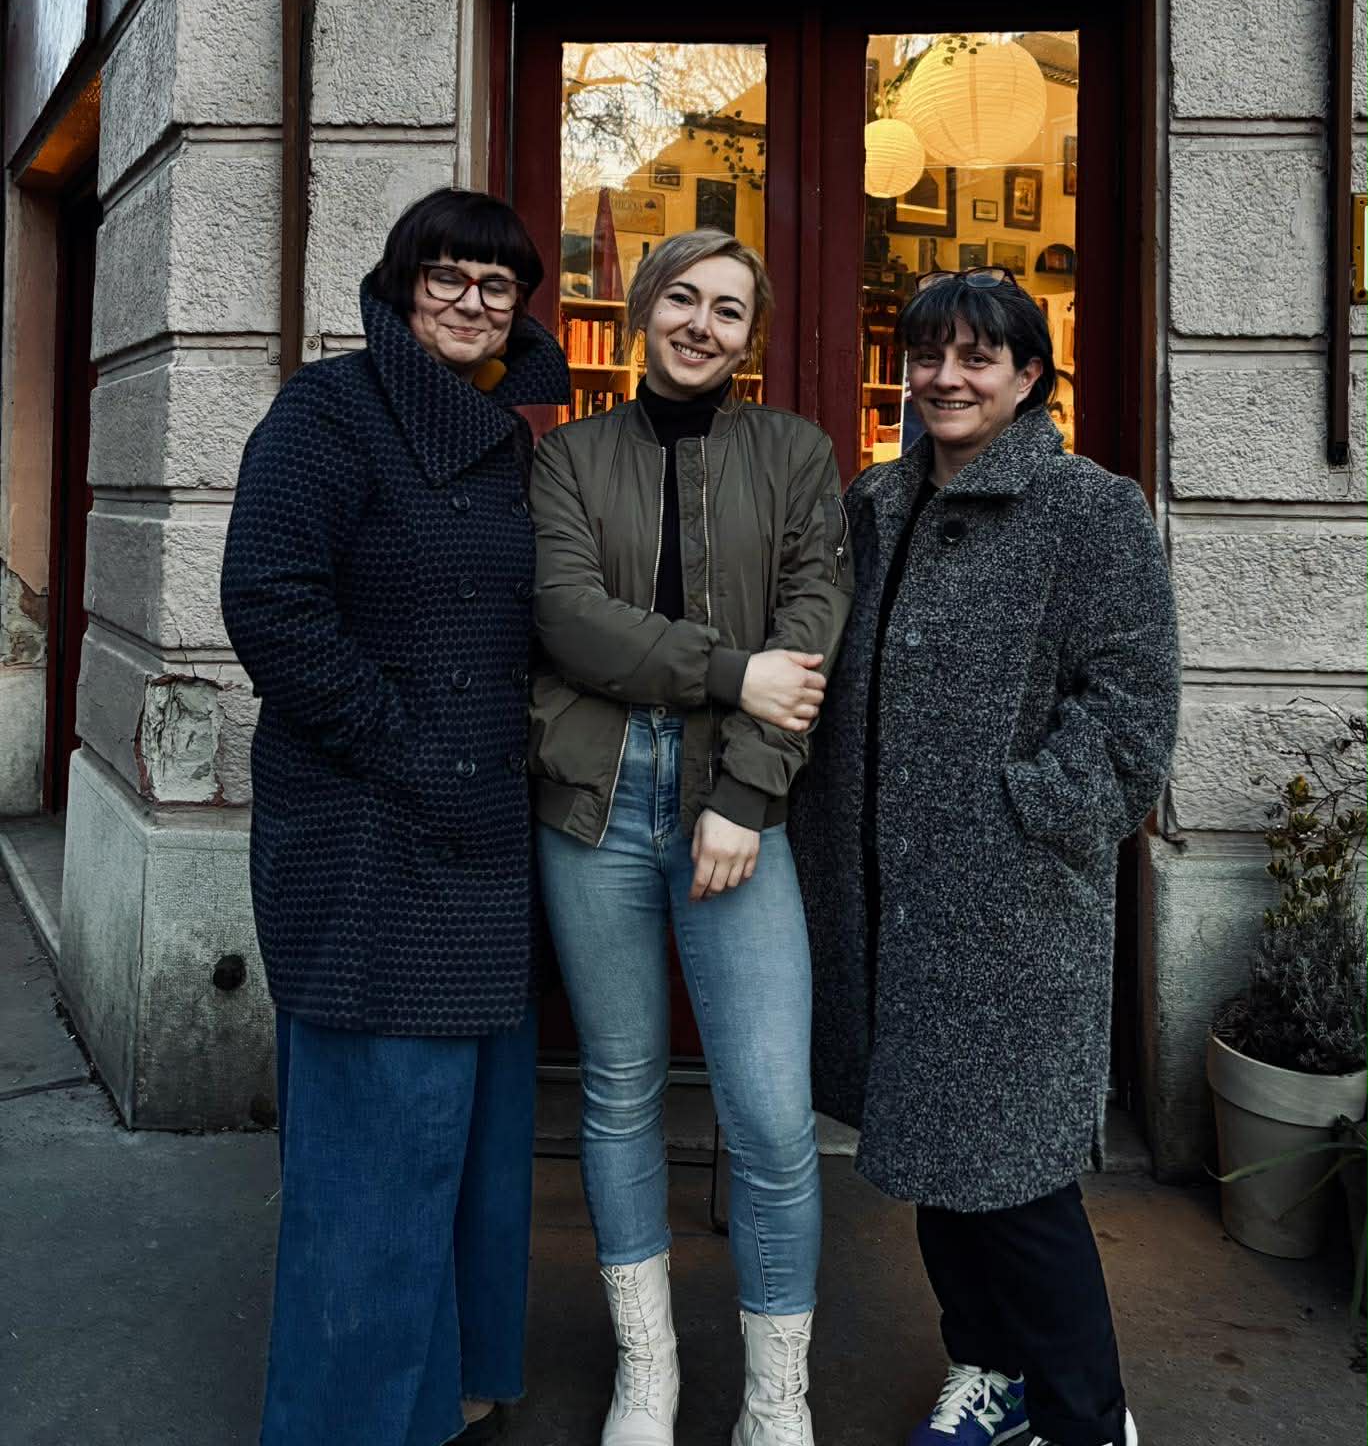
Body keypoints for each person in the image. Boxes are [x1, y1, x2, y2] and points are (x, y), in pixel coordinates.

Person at [790, 268, 1179, 1446]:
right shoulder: (876, 499)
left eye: (976, 356)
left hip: (1011, 900)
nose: (945, 377)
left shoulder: (1088, 509)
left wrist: (1027, 813)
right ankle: (990, 1367)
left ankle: (1087, 1416)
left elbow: (1131, 711)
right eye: (927, 355)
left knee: (1017, 1181)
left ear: (1028, 375)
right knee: (932, 1157)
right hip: (882, 896)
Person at [220, 187, 569, 1446]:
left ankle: (450, 1391)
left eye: (497, 283)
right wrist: (408, 751)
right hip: (365, 832)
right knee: (374, 1159)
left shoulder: (515, 441)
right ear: (399, 284)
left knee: (469, 1148)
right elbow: (270, 602)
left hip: (485, 838)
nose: (472, 301)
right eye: (447, 275)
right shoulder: (327, 412)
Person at [529, 228, 853, 1446]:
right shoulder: (569, 456)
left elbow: (810, 631)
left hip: (736, 802)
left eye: (727, 308)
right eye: (682, 297)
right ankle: (647, 1370)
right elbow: (568, 617)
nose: (701, 324)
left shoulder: (797, 452)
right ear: (640, 310)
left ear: (749, 335)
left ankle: (776, 1393)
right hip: (596, 799)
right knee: (619, 1092)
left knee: (770, 1115)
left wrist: (748, 792)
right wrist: (728, 670)